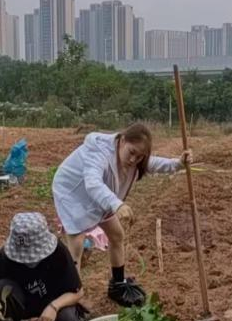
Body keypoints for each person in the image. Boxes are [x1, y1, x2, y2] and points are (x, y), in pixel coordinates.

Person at [52, 123, 191, 306]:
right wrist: (117, 204)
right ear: (123, 140)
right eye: (131, 152)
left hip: (102, 197)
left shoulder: (134, 157)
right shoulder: (98, 151)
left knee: (117, 235)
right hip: (72, 194)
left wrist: (178, 163)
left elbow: (153, 163)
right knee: (76, 247)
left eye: (139, 156)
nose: (134, 160)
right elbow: (92, 183)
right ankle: (72, 298)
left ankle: (117, 284)